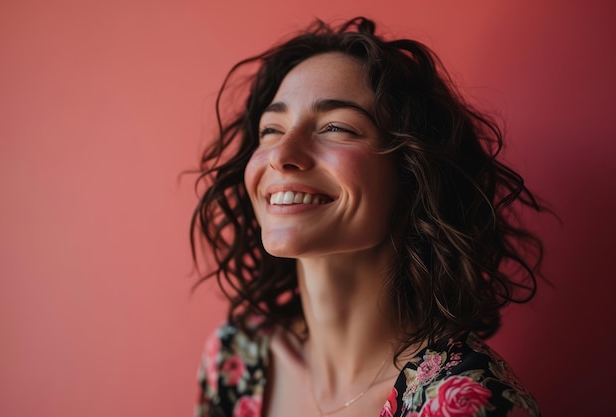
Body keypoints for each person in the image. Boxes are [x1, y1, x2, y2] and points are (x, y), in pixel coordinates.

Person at [191, 17, 544, 417]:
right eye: (271, 129)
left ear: (413, 174)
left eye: (336, 127)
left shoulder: (467, 401)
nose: (281, 154)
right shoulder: (233, 360)